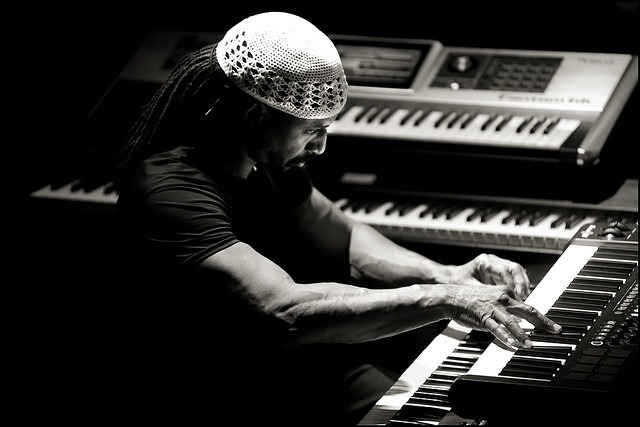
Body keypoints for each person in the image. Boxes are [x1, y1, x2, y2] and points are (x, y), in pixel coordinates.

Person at [108, 11, 562, 426]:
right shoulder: (169, 191)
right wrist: (442, 297)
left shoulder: (263, 158)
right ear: (254, 113)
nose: (322, 147)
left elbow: (345, 238)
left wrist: (446, 274)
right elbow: (286, 310)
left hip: (295, 365)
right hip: (220, 387)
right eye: (312, 130)